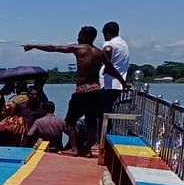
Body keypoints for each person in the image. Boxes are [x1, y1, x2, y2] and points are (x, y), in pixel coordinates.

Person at [22, 26, 129, 156]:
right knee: (91, 121)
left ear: (84, 36)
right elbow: (112, 69)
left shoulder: (79, 49)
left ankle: (74, 148)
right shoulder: (99, 52)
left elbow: (54, 48)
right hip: (96, 91)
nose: (77, 38)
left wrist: (33, 46)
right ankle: (88, 148)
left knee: (69, 121)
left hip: (82, 91)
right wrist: (123, 83)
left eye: (79, 35)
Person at [97, 21, 129, 146]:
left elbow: (107, 51)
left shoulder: (110, 43)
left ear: (107, 33)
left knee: (102, 113)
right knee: (106, 112)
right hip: (116, 85)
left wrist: (104, 60)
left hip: (108, 84)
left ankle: (101, 141)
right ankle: (104, 139)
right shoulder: (124, 44)